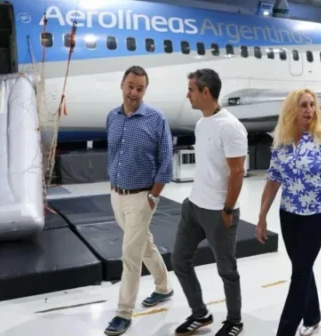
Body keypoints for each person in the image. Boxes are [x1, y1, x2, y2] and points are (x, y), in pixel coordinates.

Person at [255, 88, 321, 336]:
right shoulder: (281, 140)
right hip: (289, 214)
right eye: (304, 105)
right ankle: (312, 316)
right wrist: (261, 218)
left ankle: (286, 330)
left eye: (312, 105)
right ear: (292, 109)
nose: (309, 110)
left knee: (301, 271)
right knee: (301, 267)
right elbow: (272, 181)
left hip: (316, 214)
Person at [171, 68, 248, 336]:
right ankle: (200, 314)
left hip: (219, 212)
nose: (187, 95)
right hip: (193, 206)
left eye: (191, 90)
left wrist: (228, 209)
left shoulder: (231, 127)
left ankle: (235, 321)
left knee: (227, 270)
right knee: (179, 260)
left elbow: (237, 172)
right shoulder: (202, 123)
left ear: (206, 92)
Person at [104, 65, 175, 336]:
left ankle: (123, 312)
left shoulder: (156, 119)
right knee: (144, 244)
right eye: (130, 86)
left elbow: (165, 163)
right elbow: (113, 155)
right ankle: (163, 287)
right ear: (122, 84)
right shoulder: (112, 117)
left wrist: (153, 197)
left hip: (142, 197)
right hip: (116, 195)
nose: (134, 92)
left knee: (130, 255)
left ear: (145, 90)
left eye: (140, 88)